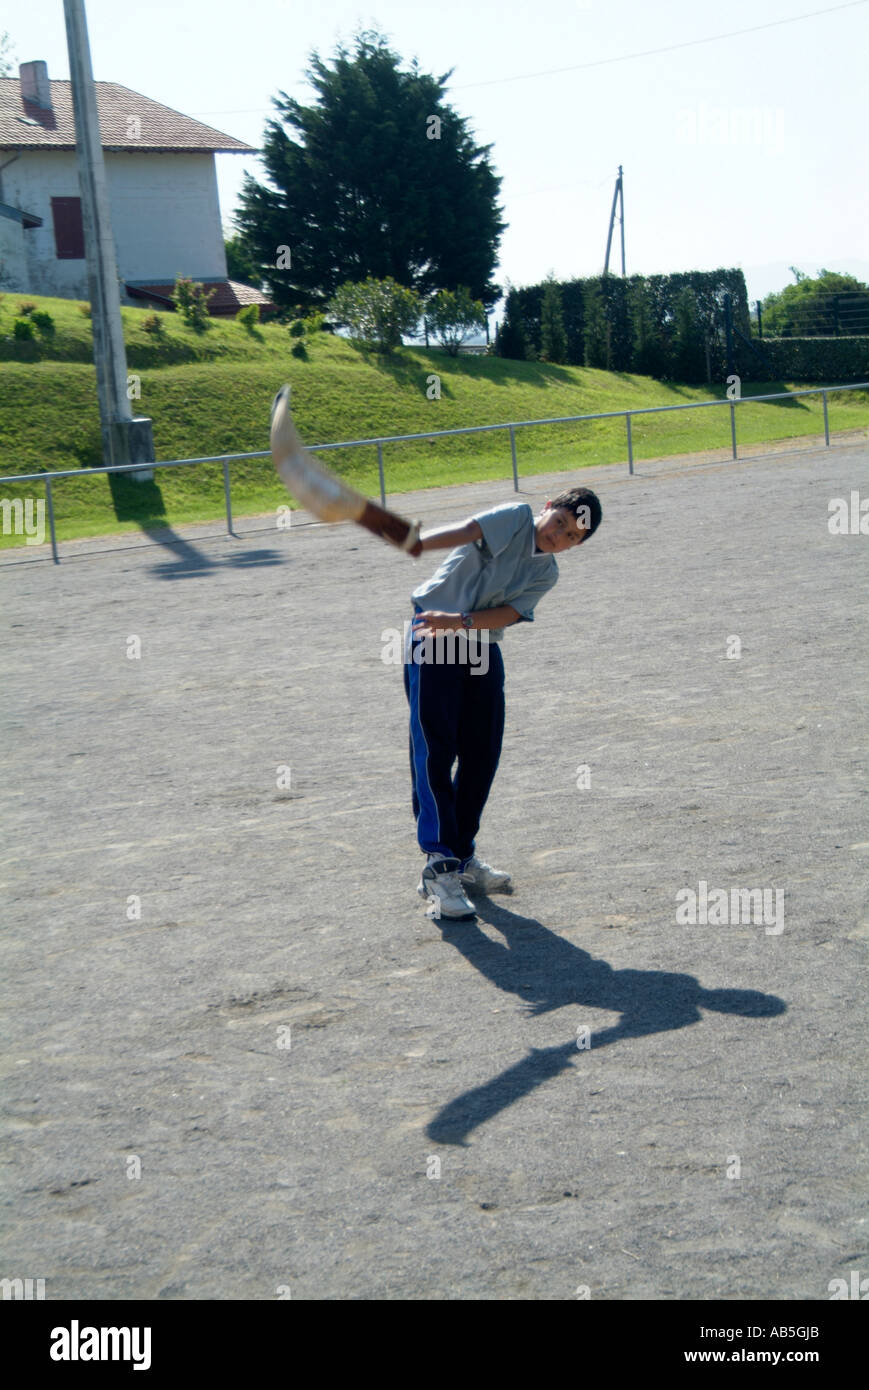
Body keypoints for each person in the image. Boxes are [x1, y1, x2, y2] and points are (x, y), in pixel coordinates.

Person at [403, 486, 602, 919]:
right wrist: (418, 540)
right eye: (560, 523)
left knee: (482, 751)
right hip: (432, 633)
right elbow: (465, 530)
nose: (559, 536)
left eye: (571, 537)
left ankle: (460, 853)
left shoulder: (545, 574)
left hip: (476, 642)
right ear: (548, 507)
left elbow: (509, 615)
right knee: (436, 748)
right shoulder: (515, 517)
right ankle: (439, 863)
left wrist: (461, 623)